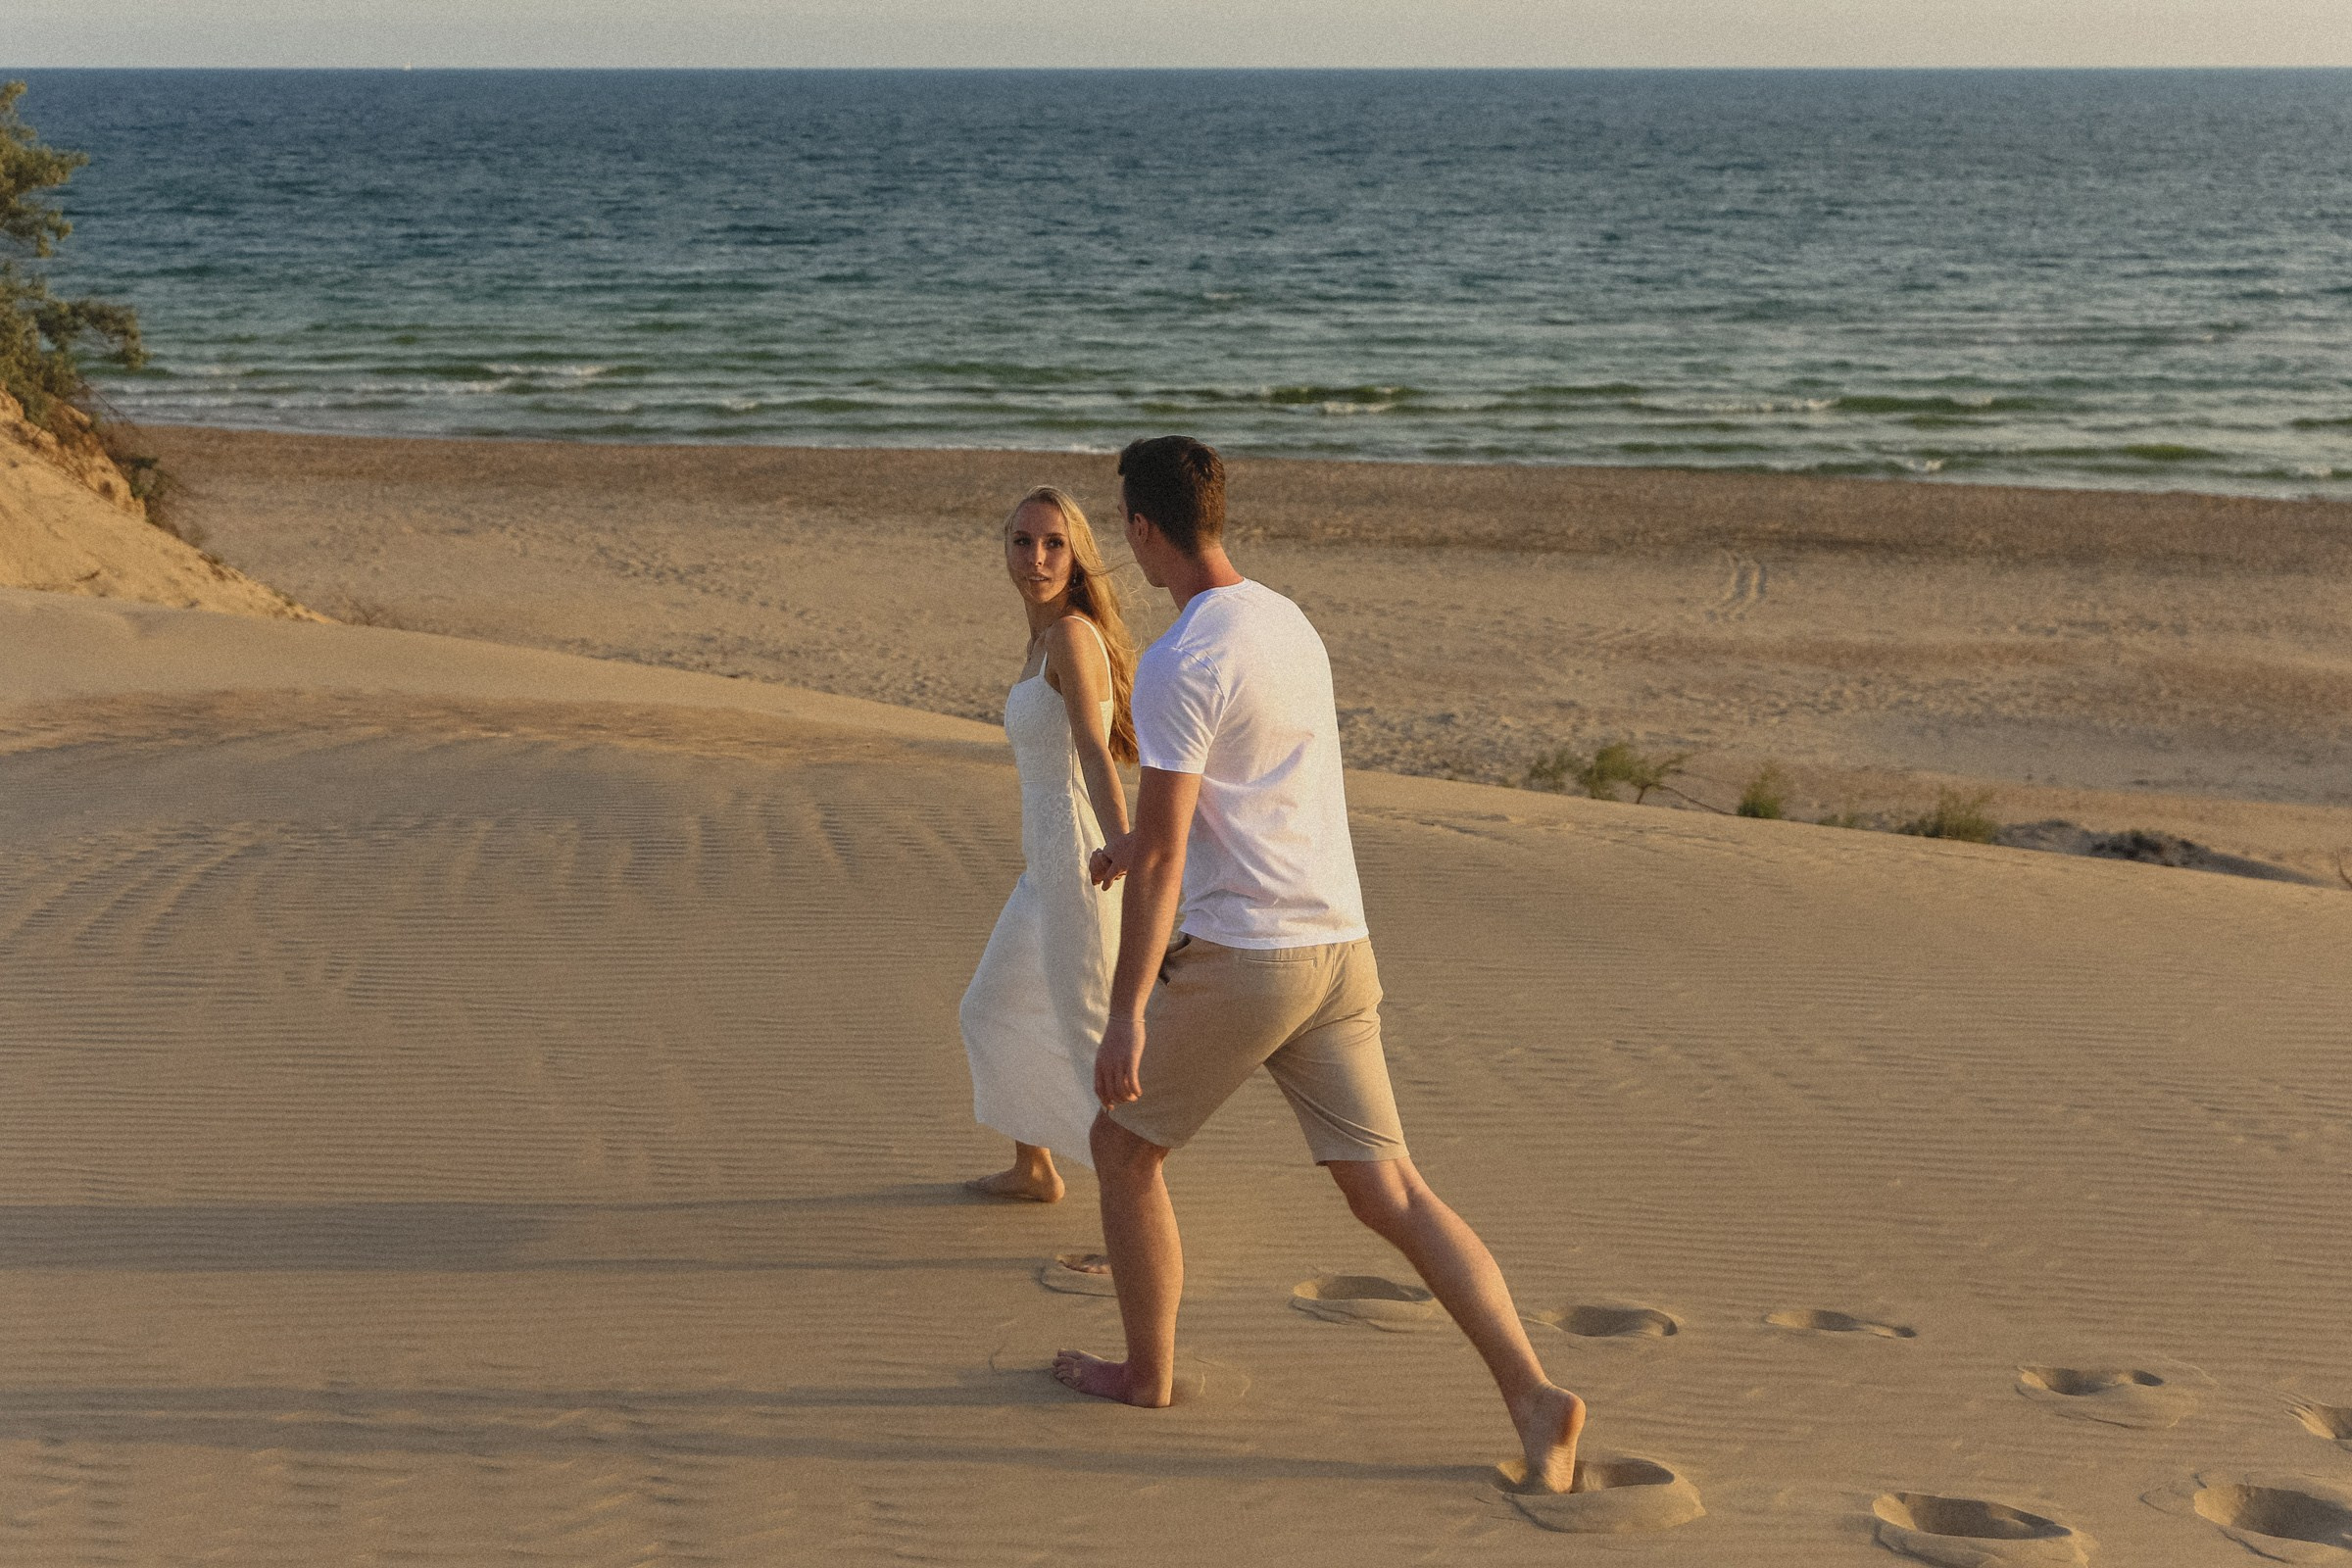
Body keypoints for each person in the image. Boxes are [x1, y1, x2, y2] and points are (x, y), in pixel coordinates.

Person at [1052, 437, 1587, 1492]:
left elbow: (1164, 858)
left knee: (1119, 1145)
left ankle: (1144, 1373)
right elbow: (1234, 799)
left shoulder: (1176, 662)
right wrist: (1136, 845)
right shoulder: (1286, 621)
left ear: (1140, 529)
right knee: (1390, 1189)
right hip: (1340, 946)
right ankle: (1535, 1395)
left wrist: (1126, 1014)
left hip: (1252, 959)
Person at [957, 486, 1140, 1204]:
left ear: (1077, 557)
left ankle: (1134, 1215)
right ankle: (1034, 1168)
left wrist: (1122, 845)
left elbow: (1095, 754)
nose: (1036, 557)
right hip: (1043, 862)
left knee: (1095, 1031)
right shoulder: (1040, 639)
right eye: (1022, 541)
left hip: (1079, 862)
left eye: (1054, 544)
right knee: (992, 1006)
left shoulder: (1069, 636)